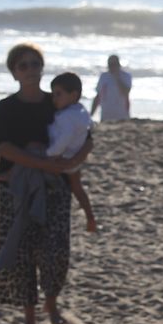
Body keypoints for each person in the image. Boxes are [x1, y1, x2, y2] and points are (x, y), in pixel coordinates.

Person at [0, 43, 92, 324]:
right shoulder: (7, 107)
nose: (30, 70)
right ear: (14, 73)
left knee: (55, 251)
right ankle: (30, 318)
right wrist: (40, 163)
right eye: (23, 65)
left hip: (56, 188)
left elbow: (87, 135)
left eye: (35, 64)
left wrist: (76, 158)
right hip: (17, 188)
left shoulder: (57, 101)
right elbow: (4, 147)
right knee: (22, 252)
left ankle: (52, 305)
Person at [47, 72, 98, 233]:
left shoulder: (67, 116)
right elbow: (91, 126)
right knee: (77, 187)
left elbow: (64, 138)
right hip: (75, 157)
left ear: (73, 95)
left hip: (63, 157)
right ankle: (90, 217)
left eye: (58, 94)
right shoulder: (80, 111)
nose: (54, 99)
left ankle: (89, 217)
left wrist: (50, 153)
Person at [91, 55, 132, 122]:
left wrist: (117, 77)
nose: (111, 66)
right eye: (110, 64)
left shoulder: (126, 76)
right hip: (105, 116)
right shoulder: (103, 76)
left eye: (113, 64)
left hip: (122, 117)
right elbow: (98, 96)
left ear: (118, 64)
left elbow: (126, 92)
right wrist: (91, 114)